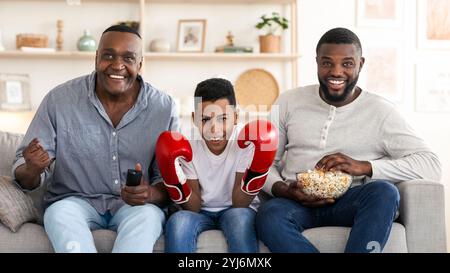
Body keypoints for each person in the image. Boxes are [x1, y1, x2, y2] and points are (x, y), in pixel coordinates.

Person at [256, 27, 442, 253]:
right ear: (316, 62)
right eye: (327, 63)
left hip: (350, 201)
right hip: (296, 201)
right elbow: (261, 163)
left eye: (347, 63)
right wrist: (284, 189)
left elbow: (431, 164)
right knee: (269, 214)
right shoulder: (287, 101)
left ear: (360, 64)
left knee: (384, 192)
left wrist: (363, 166)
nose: (336, 72)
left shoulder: (381, 112)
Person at [12, 25, 178, 253]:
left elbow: (171, 178)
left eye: (128, 58)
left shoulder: (164, 107)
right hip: (73, 202)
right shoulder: (59, 100)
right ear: (96, 57)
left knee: (149, 217)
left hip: (135, 207)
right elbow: (22, 175)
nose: (117, 65)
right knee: (59, 213)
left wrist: (151, 193)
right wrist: (32, 169)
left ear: (140, 64)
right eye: (108, 55)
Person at [158, 78, 277, 253]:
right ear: (194, 119)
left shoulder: (247, 141)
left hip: (237, 208)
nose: (214, 129)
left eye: (223, 119)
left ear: (236, 117)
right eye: (205, 119)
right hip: (200, 212)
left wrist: (258, 169)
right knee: (179, 221)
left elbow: (239, 203)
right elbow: (194, 207)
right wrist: (173, 178)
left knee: (239, 219)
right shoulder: (187, 144)